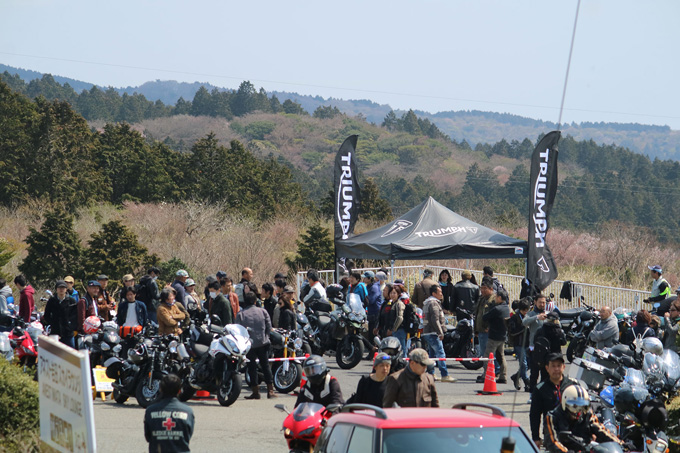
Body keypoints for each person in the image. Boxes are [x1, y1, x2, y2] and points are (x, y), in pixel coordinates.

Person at [544, 384, 621, 453]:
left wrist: (620, 443)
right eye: (575, 406)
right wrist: (567, 452)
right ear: (565, 403)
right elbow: (553, 442)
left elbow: (601, 430)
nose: (579, 410)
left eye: (582, 406)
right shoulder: (552, 417)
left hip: (584, 450)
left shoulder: (587, 414)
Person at [530, 353, 579, 448]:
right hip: (551, 434)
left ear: (564, 367)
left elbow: (583, 410)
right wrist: (535, 438)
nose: (556, 369)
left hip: (573, 433)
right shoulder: (540, 389)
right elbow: (534, 415)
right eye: (553, 366)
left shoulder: (572, 386)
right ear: (547, 368)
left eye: (559, 366)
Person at [237, 291, 276, 399]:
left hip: (249, 344)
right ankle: (270, 391)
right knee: (265, 366)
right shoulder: (263, 311)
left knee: (251, 367)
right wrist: (266, 337)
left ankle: (255, 391)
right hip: (263, 342)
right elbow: (269, 327)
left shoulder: (241, 314)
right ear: (255, 301)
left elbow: (238, 330)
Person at [144, 373, 194, 453]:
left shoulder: (150, 411)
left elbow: (148, 437)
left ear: (160, 389)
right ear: (179, 390)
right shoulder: (188, 411)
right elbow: (187, 435)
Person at [422, 284, 455, 382]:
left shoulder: (428, 302)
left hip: (428, 331)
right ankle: (444, 374)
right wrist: (440, 332)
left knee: (432, 354)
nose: (441, 294)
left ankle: (431, 374)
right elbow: (435, 319)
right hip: (433, 332)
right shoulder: (433, 303)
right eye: (439, 292)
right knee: (440, 353)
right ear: (434, 293)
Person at [478, 287, 510, 384]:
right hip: (502, 336)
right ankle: (503, 376)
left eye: (496, 297)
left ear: (499, 297)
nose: (495, 298)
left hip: (494, 336)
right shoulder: (506, 308)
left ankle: (486, 375)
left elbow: (485, 317)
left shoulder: (496, 309)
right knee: (501, 356)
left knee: (488, 356)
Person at [532, 311, 567, 385]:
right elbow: (564, 342)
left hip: (544, 357)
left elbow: (535, 341)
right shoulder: (559, 331)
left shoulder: (540, 330)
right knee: (556, 379)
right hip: (557, 357)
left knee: (544, 378)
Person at [523, 294, 547, 392]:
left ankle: (543, 394)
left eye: (544, 302)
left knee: (545, 374)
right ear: (535, 302)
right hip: (534, 347)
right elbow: (524, 322)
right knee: (534, 374)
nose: (542, 304)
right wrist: (537, 317)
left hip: (546, 349)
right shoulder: (531, 314)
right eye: (540, 302)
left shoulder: (548, 313)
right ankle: (532, 394)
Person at [509, 298, 531, 391]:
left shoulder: (529, 316)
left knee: (529, 363)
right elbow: (512, 332)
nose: (525, 312)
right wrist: (523, 328)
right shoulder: (514, 317)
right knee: (523, 364)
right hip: (518, 344)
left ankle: (516, 376)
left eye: (527, 310)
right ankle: (527, 382)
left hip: (528, 343)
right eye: (523, 310)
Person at [474, 278, 496, 370]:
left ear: (491, 289)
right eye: (481, 288)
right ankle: (487, 371)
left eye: (485, 288)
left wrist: (490, 327)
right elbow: (477, 313)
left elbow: (495, 316)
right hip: (481, 330)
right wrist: (475, 329)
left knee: (489, 354)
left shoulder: (493, 300)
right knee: (484, 353)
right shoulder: (482, 299)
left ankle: (491, 372)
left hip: (488, 331)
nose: (482, 290)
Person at [363, 271, 383, 341]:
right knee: (371, 333)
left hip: (375, 313)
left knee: (374, 333)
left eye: (365, 278)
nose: (363, 279)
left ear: (370, 278)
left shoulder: (374, 287)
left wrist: (363, 301)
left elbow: (371, 300)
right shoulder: (369, 286)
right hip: (371, 312)